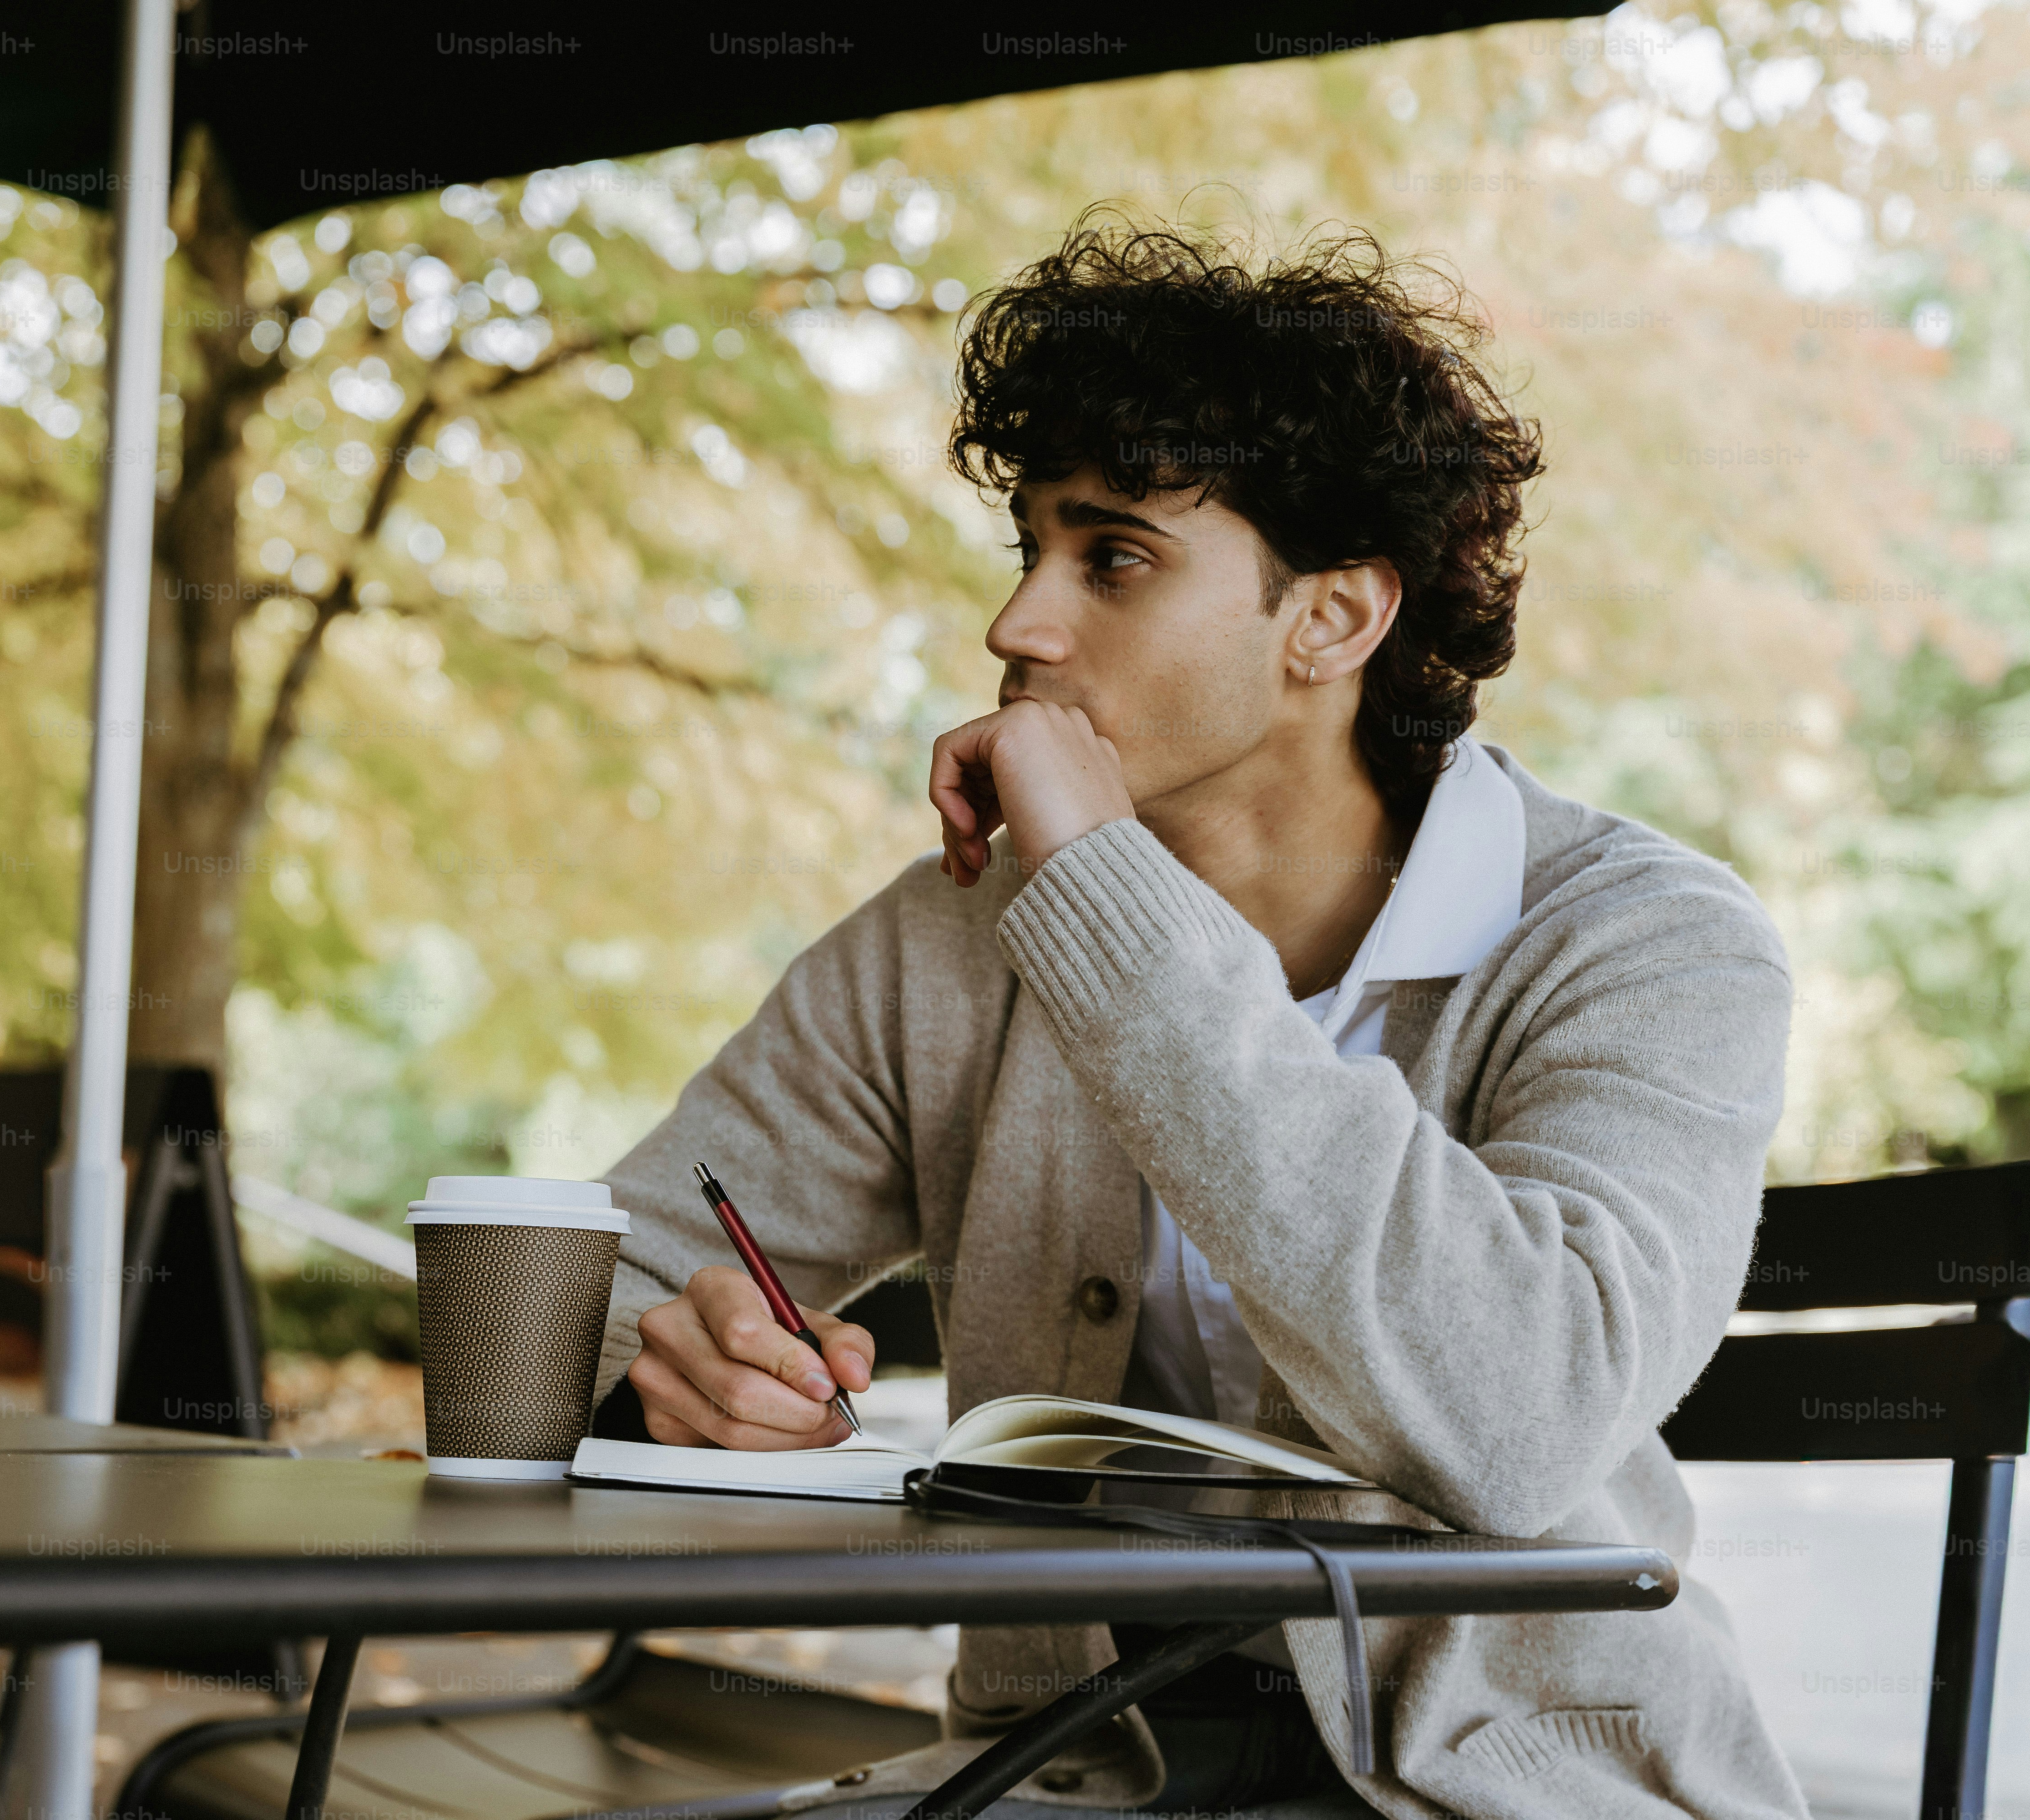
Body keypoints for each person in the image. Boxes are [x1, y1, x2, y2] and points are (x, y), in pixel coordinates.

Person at [593, 215, 1806, 1820]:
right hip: (1056, 1771)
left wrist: (1103, 890)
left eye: (1115, 559)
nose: (1019, 627)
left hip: (1517, 1786)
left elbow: (1522, 1419)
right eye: (1026, 550)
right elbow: (591, 1283)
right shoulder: (949, 944)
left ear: (1334, 620)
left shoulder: (1646, 941)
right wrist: (666, 1382)